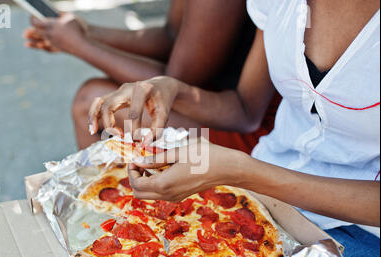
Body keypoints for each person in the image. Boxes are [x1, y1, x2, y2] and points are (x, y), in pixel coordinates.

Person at [88, 0, 381, 257]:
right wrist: (174, 90)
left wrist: (245, 173)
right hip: (255, 192)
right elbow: (244, 110)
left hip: (360, 234)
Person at [23, 0, 278, 151]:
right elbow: (171, 38)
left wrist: (79, 46)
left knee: (91, 101)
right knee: (97, 96)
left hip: (253, 133)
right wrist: (86, 32)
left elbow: (172, 82)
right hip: (213, 101)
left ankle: (116, 220)